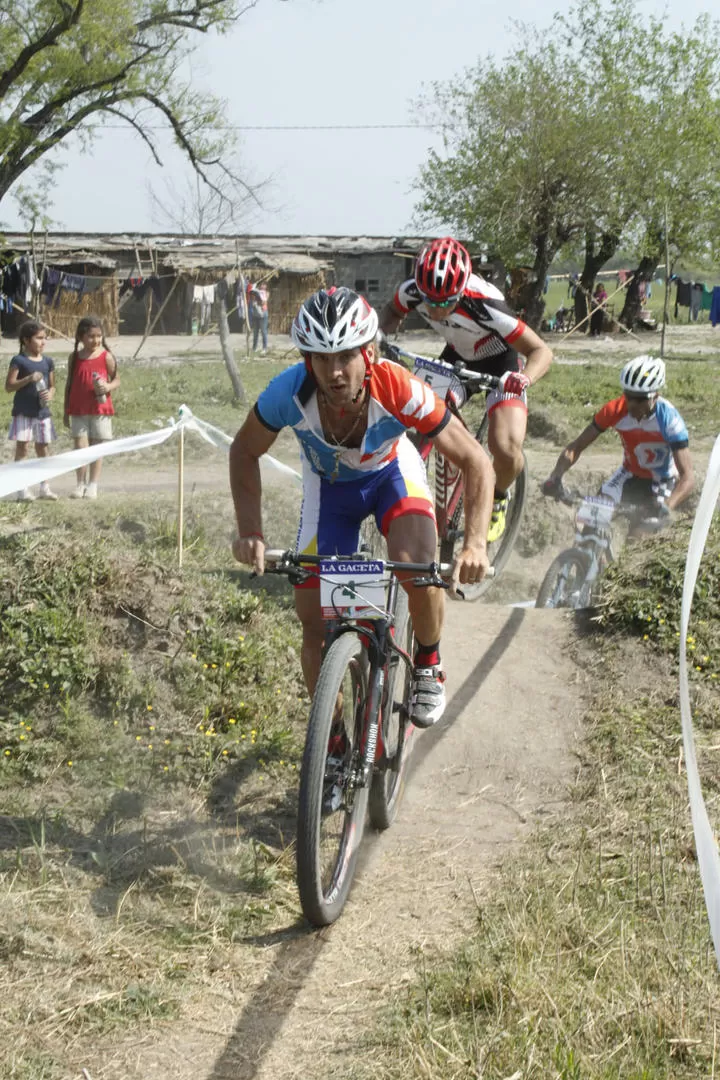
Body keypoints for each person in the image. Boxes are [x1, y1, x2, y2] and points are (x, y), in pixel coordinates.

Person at [230, 287, 495, 728]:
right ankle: (331, 741)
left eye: (346, 356)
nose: (334, 372)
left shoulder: (399, 387)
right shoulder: (288, 392)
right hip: (329, 489)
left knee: (417, 567)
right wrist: (250, 531)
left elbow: (476, 460)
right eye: (321, 359)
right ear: (307, 360)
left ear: (369, 352)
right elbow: (243, 451)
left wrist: (475, 544)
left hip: (391, 474)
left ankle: (427, 663)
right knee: (313, 621)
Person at [379, 236, 553, 543]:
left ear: (461, 291)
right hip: (456, 356)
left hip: (501, 364)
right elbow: (390, 314)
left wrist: (524, 378)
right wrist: (379, 337)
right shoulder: (412, 290)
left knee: (506, 447)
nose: (435, 309)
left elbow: (541, 351)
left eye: (445, 303)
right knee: (416, 417)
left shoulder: (487, 305)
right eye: (429, 301)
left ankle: (497, 497)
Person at [542, 356, 694, 533]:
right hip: (628, 473)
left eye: (640, 399)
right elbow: (576, 447)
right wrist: (556, 475)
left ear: (655, 396)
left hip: (662, 480)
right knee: (590, 521)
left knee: (642, 534)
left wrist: (667, 505)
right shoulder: (614, 411)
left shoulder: (669, 420)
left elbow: (688, 477)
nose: (632, 404)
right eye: (629, 396)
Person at [64, 316, 119, 499]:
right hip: (78, 409)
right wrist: (65, 410)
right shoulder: (74, 358)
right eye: (91, 336)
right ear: (81, 337)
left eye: (99, 336)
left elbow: (117, 379)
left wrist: (108, 387)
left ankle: (93, 485)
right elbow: (69, 384)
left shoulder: (106, 357)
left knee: (97, 447)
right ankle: (80, 484)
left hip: (100, 410)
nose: (95, 340)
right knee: (80, 447)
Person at [5, 319, 58, 501]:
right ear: (26, 340)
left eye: (44, 338)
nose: (43, 342)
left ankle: (45, 487)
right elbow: (9, 386)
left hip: (42, 413)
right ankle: (22, 489)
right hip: (23, 412)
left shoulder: (48, 361)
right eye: (39, 338)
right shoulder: (19, 360)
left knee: (43, 448)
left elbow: (52, 386)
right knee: (23, 448)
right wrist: (28, 379)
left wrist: (50, 394)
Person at [250, 281, 269, 355]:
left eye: (264, 285)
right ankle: (254, 347)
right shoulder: (256, 292)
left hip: (263, 314)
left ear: (266, 286)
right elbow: (252, 299)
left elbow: (264, 302)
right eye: (261, 284)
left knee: (263, 332)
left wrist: (259, 299)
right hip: (256, 314)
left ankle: (264, 348)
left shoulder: (266, 293)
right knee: (255, 332)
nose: (262, 286)